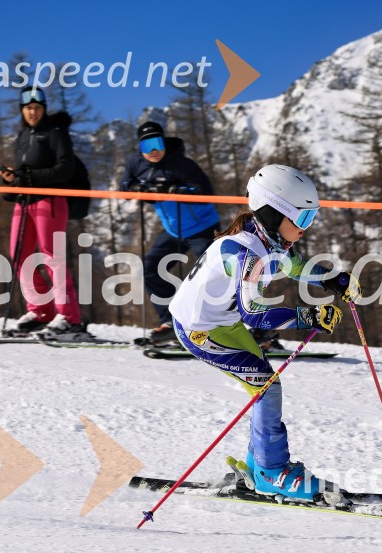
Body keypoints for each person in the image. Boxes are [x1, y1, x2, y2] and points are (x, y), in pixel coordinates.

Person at [169, 164, 361, 501]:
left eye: (310, 219)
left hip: (222, 323)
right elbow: (254, 316)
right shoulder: (242, 253)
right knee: (266, 387)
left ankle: (260, 466)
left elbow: (296, 266)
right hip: (200, 331)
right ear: (273, 214)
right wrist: (307, 316)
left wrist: (331, 279)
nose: (306, 228)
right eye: (301, 220)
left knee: (265, 388)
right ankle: (272, 472)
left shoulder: (267, 239)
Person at [0, 86, 86, 338]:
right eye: (28, 108)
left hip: (51, 200)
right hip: (24, 202)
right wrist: (11, 180)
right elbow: (23, 175)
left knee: (52, 257)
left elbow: (65, 169)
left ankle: (69, 316)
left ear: (44, 109)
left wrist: (30, 176)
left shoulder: (56, 133)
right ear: (21, 111)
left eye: (37, 108)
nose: (32, 112)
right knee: (19, 255)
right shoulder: (22, 137)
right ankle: (41, 311)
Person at [120, 121, 220, 343]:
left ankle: (238, 327)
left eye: (157, 143)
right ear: (140, 148)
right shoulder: (135, 163)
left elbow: (205, 191)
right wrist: (138, 189)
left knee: (214, 275)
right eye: (147, 146)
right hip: (174, 231)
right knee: (150, 269)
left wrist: (175, 190)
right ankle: (171, 322)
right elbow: (124, 186)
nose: (153, 151)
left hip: (203, 228)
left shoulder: (181, 164)